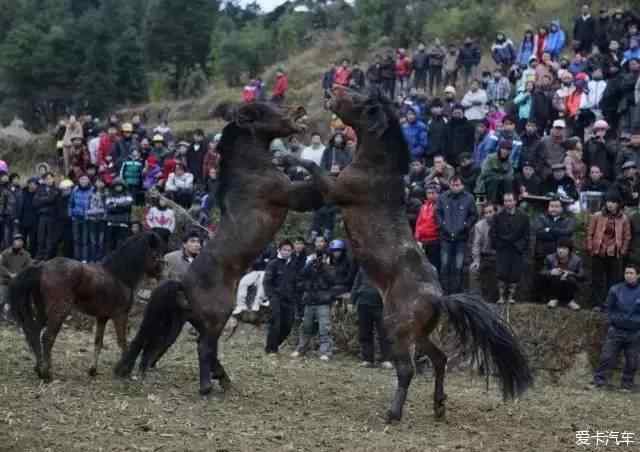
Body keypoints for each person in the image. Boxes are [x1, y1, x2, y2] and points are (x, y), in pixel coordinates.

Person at [592, 264, 640, 390]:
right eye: (626, 273)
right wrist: (612, 321)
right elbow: (608, 307)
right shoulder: (615, 289)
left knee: (632, 361)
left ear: (638, 275)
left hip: (634, 332)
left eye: (631, 273)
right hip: (616, 330)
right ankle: (599, 381)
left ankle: (627, 384)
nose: (628, 275)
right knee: (606, 357)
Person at [586, 191, 631, 311]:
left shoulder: (624, 218)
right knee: (597, 279)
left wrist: (622, 251)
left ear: (618, 204)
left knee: (614, 281)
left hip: (615, 253)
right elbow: (590, 233)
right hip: (598, 251)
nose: (610, 204)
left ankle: (610, 304)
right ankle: (597, 304)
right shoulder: (597, 215)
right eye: (608, 201)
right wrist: (591, 248)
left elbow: (627, 237)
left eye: (613, 202)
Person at [291, 243, 335, 361]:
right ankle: (301, 349)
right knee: (306, 326)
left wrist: (323, 267)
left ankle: (325, 352)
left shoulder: (329, 268)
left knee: (324, 328)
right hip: (310, 300)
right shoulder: (310, 265)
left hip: (323, 302)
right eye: (319, 255)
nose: (320, 258)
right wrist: (311, 267)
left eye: (323, 256)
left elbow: (332, 280)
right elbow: (300, 278)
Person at [436, 176, 478, 294]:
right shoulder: (442, 197)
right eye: (453, 185)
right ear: (450, 185)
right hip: (445, 237)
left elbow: (474, 215)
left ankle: (456, 293)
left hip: (461, 237)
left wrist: (466, 225)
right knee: (444, 266)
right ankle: (444, 292)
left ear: (462, 185)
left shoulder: (469, 198)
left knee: (458, 266)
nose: (455, 187)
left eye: (458, 185)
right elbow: (438, 213)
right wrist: (442, 225)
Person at [491, 192, 530, 304]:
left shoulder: (524, 216)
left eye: (510, 200)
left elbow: (527, 235)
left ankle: (511, 296)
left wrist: (520, 247)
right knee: (501, 273)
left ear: (515, 201)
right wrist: (499, 245)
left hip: (516, 249)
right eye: (505, 201)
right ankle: (501, 296)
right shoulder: (497, 216)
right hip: (502, 249)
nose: (507, 203)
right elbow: (493, 233)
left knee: (515, 274)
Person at [351, 267, 392, 369]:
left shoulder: (385, 267)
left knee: (384, 333)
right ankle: (368, 359)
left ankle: (386, 359)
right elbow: (356, 284)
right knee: (364, 332)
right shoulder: (363, 268)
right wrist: (353, 300)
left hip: (381, 304)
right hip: (363, 302)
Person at [263, 240, 298, 355]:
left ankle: (275, 345)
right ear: (279, 250)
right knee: (275, 323)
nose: (286, 252)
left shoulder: (293, 265)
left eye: (289, 250)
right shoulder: (273, 264)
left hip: (289, 299)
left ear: (292, 251)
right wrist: (271, 297)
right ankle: (271, 349)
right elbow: (267, 282)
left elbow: (296, 282)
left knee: (288, 325)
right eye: (284, 250)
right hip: (276, 298)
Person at [541, 239, 584, 310]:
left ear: (569, 250)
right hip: (553, 285)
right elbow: (542, 272)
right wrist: (550, 272)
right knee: (555, 276)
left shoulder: (577, 260)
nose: (560, 251)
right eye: (559, 248)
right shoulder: (549, 258)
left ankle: (570, 301)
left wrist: (570, 273)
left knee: (570, 278)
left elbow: (582, 275)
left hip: (569, 285)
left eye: (564, 248)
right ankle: (553, 299)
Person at [0, 233, 31, 320]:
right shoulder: (5, 253)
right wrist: (9, 274)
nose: (19, 242)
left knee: (19, 301)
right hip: (5, 281)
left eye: (21, 240)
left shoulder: (26, 255)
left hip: (19, 282)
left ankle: (15, 316)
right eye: (17, 240)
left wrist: (19, 274)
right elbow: (0, 266)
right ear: (13, 242)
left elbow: (29, 267)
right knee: (2, 299)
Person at [470, 203, 497, 301]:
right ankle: (475, 298)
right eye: (486, 213)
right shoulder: (479, 226)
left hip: (498, 255)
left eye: (491, 212)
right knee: (473, 269)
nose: (488, 215)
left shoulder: (502, 223)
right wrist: (476, 260)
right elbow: (476, 244)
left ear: (495, 212)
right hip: (484, 255)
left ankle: (497, 298)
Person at [475, 139, 515, 204]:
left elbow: (510, 175)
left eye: (508, 150)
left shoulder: (509, 161)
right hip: (484, 185)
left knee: (508, 180)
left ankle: (507, 202)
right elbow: (485, 172)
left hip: (501, 185)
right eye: (503, 149)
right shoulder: (490, 157)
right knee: (494, 180)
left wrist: (501, 177)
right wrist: (499, 176)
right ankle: (490, 203)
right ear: (500, 149)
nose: (505, 151)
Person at [33, 172, 60, 261]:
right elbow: (35, 202)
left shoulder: (56, 190)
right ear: (44, 180)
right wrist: (47, 199)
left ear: (53, 179)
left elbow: (53, 199)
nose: (49, 180)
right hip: (42, 216)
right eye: (47, 179)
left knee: (50, 238)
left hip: (52, 217)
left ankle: (47, 257)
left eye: (50, 178)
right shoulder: (39, 189)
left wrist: (43, 200)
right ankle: (39, 256)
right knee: (41, 237)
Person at [415, 184, 440, 272]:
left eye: (433, 193)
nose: (430, 195)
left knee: (434, 265)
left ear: (437, 194)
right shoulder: (423, 206)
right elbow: (419, 222)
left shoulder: (440, 207)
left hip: (434, 240)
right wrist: (417, 237)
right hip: (423, 241)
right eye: (428, 193)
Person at [68, 174, 93, 263]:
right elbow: (70, 203)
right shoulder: (75, 190)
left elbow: (94, 204)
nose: (83, 181)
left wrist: (90, 214)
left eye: (85, 179)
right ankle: (76, 258)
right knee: (76, 239)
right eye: (81, 179)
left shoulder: (92, 190)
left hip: (87, 218)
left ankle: (84, 258)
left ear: (88, 181)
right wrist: (71, 214)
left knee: (85, 239)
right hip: (76, 217)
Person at [105, 178, 133, 252]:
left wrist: (115, 205)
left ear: (123, 186)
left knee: (122, 243)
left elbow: (128, 206)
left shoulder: (128, 195)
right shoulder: (109, 195)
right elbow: (109, 208)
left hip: (123, 223)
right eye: (116, 186)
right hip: (111, 223)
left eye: (120, 185)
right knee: (111, 243)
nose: (118, 187)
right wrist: (121, 207)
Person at [86, 177, 107, 263]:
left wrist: (101, 213)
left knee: (101, 241)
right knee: (93, 241)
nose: (99, 183)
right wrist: (89, 213)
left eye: (101, 181)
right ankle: (92, 259)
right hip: (91, 220)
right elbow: (87, 207)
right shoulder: (91, 194)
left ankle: (100, 259)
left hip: (101, 220)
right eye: (98, 181)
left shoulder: (106, 194)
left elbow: (107, 208)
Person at [19, 177, 39, 256]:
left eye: (34, 184)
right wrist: (18, 217)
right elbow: (19, 206)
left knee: (33, 240)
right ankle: (22, 255)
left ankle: (32, 256)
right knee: (22, 239)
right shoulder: (23, 193)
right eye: (31, 183)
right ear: (28, 184)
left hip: (34, 221)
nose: (33, 186)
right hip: (23, 220)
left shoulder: (38, 194)